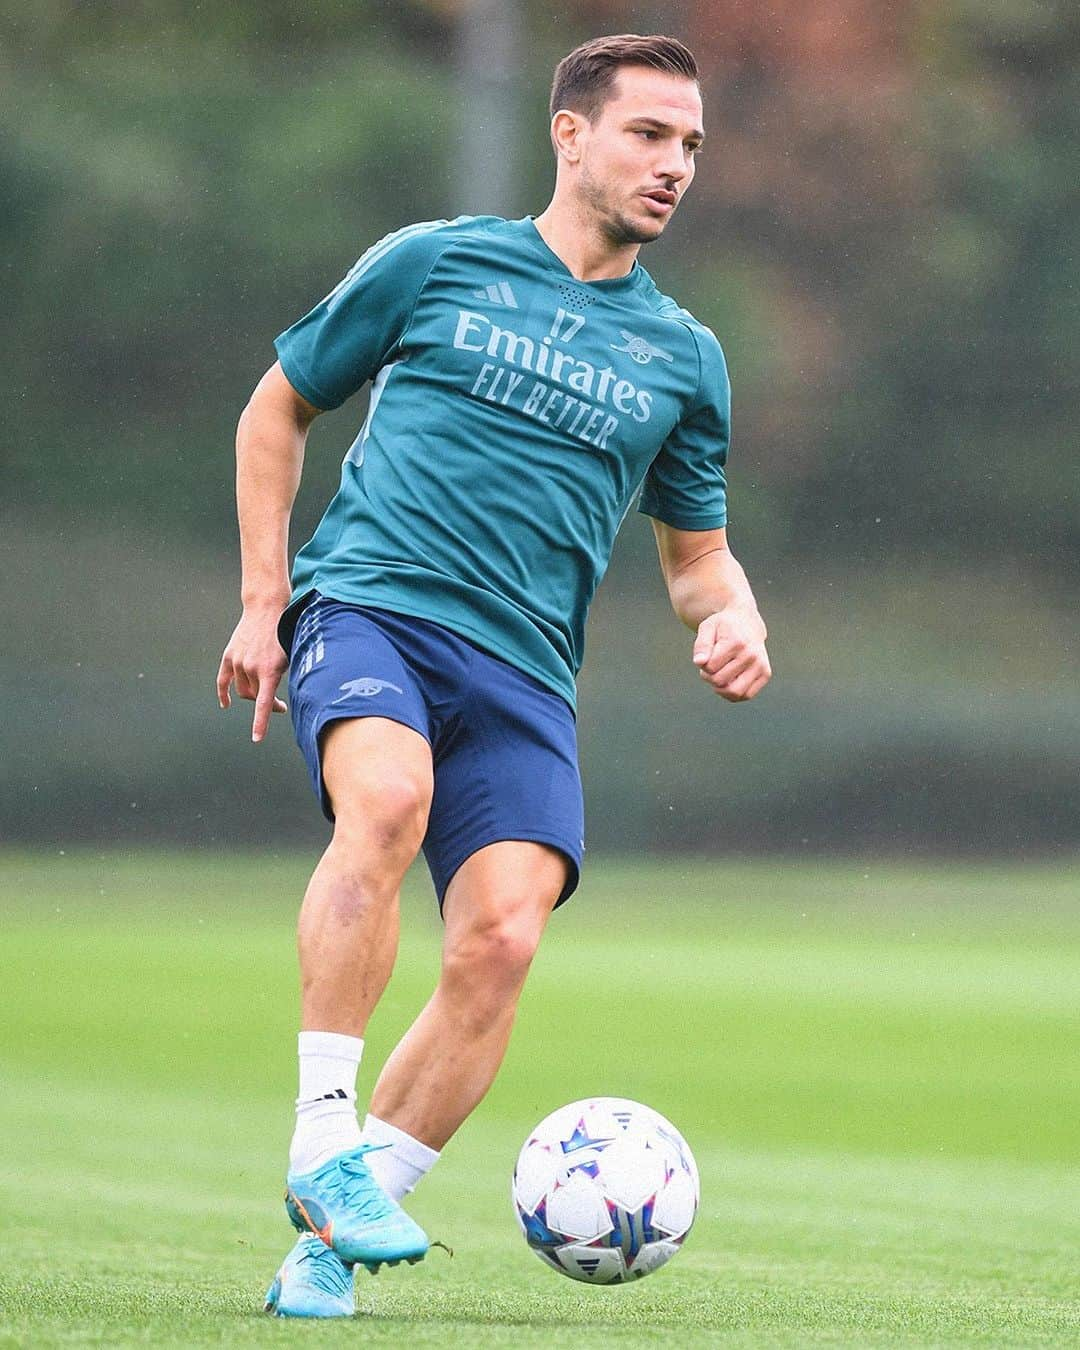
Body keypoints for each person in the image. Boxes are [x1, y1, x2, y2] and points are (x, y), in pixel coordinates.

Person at [216, 32, 771, 1318]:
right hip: (372, 610)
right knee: (388, 801)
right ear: (571, 136)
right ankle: (319, 1139)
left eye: (691, 143)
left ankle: (333, 1233)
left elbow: (699, 560)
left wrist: (731, 616)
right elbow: (275, 409)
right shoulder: (436, 261)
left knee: (504, 943)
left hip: (525, 674)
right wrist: (263, 604)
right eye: (649, 133)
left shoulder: (684, 358)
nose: (675, 163)